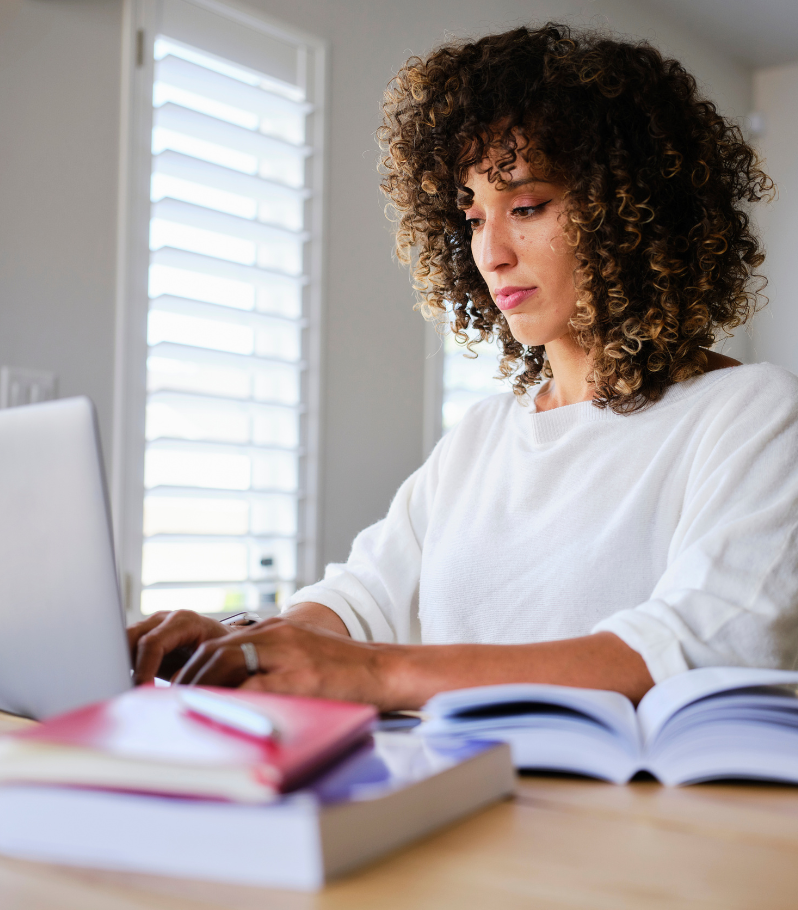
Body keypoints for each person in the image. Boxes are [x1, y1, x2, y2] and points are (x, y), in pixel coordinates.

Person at [129, 24, 798, 708]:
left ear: (637, 212)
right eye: (474, 217)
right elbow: (363, 599)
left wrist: (379, 673)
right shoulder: (483, 437)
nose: (492, 253)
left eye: (528, 206)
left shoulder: (751, 412)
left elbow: (707, 643)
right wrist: (241, 643)